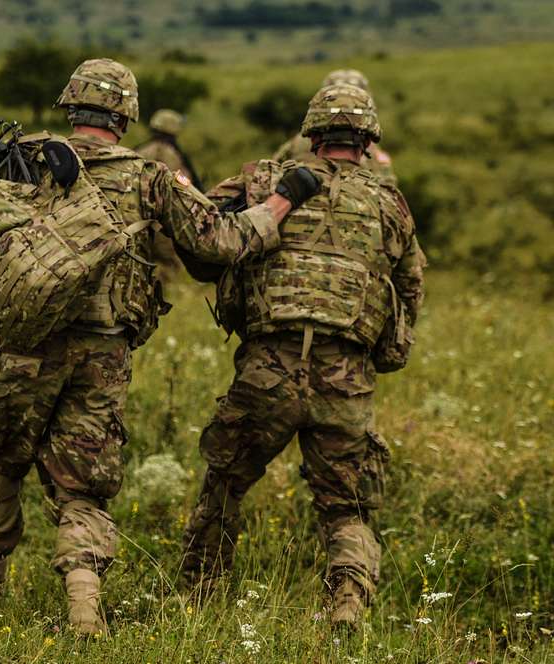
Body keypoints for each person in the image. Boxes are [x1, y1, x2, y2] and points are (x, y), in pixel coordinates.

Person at [0, 58, 319, 636]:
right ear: (126, 114)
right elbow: (222, 242)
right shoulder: (149, 177)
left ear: (70, 104)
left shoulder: (20, 159)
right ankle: (84, 608)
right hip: (101, 352)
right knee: (84, 479)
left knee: (0, 459)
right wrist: (283, 200)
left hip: (19, 342)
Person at [180, 83, 426, 628]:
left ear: (313, 135)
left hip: (269, 361)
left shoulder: (263, 180)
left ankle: (198, 599)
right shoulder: (390, 203)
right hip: (347, 371)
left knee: (225, 482)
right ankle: (348, 603)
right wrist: (378, 358)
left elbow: (204, 243)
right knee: (348, 505)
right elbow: (409, 290)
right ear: (367, 140)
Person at [272, 69, 397, 185]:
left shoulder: (298, 141)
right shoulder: (370, 148)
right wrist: (385, 167)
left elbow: (274, 175)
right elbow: (389, 193)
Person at [135, 109, 204, 276]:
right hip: (164, 219)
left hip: (137, 217)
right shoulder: (170, 153)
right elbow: (182, 185)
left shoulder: (140, 150)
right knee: (173, 266)